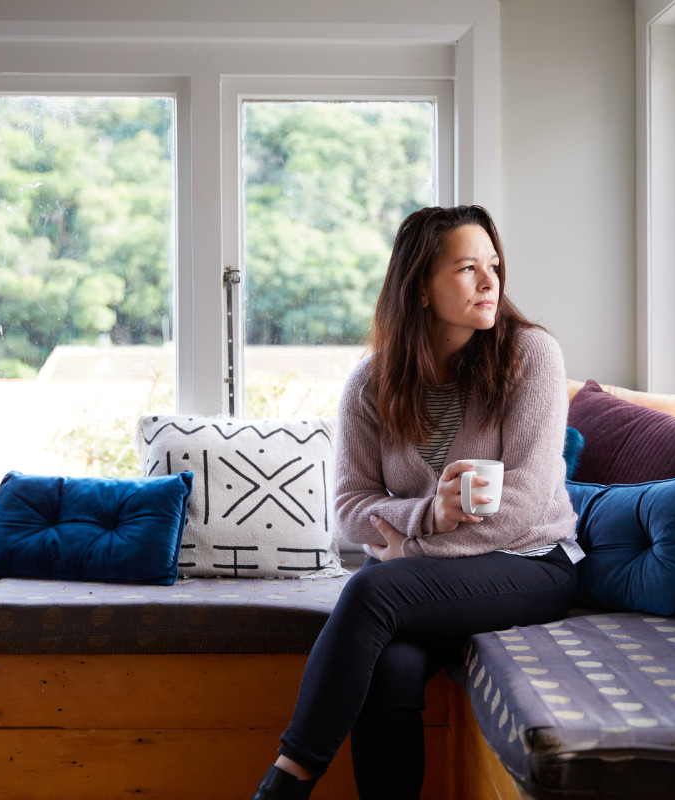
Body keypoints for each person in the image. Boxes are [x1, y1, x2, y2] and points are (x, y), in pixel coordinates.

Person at [251, 205, 584, 800]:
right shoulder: (371, 384)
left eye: (494, 265)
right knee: (392, 670)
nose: (489, 282)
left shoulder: (531, 355)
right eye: (465, 268)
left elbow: (527, 503)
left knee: (370, 588)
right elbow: (350, 508)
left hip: (534, 563)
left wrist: (414, 550)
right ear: (421, 289)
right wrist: (429, 516)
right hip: (432, 578)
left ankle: (285, 783)